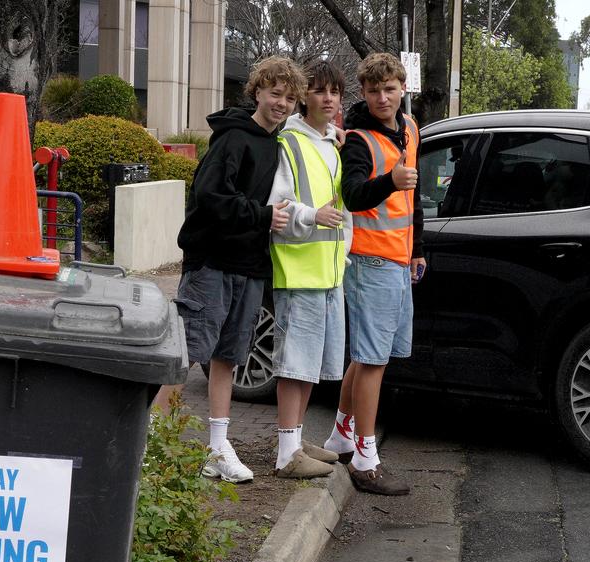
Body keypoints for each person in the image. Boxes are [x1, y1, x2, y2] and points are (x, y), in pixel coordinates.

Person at [154, 56, 306, 483]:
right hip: (212, 264)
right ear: (256, 91)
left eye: (290, 98)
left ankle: (217, 447)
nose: (281, 103)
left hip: (251, 267)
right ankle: (151, 441)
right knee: (185, 355)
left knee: (227, 359)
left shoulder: (277, 144)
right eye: (275, 93)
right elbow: (210, 195)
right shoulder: (232, 140)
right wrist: (261, 215)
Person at [322, 52, 425, 495]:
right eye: (373, 91)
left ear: (403, 87)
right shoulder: (362, 140)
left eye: (389, 89)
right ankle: (365, 457)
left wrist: (418, 248)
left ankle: (342, 435)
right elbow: (353, 194)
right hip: (370, 261)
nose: (382, 97)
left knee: (368, 358)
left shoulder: (410, 128)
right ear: (363, 93)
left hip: (398, 262)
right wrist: (391, 181)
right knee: (372, 361)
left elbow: (414, 194)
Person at [265, 59, 353, 478]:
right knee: (295, 366)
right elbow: (276, 205)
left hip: (328, 272)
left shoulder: (331, 144)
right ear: (305, 97)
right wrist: (311, 217)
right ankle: (286, 453)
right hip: (299, 271)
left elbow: (341, 210)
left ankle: (296, 443)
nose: (329, 98)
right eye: (319, 90)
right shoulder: (290, 142)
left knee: (311, 368)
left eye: (334, 91)